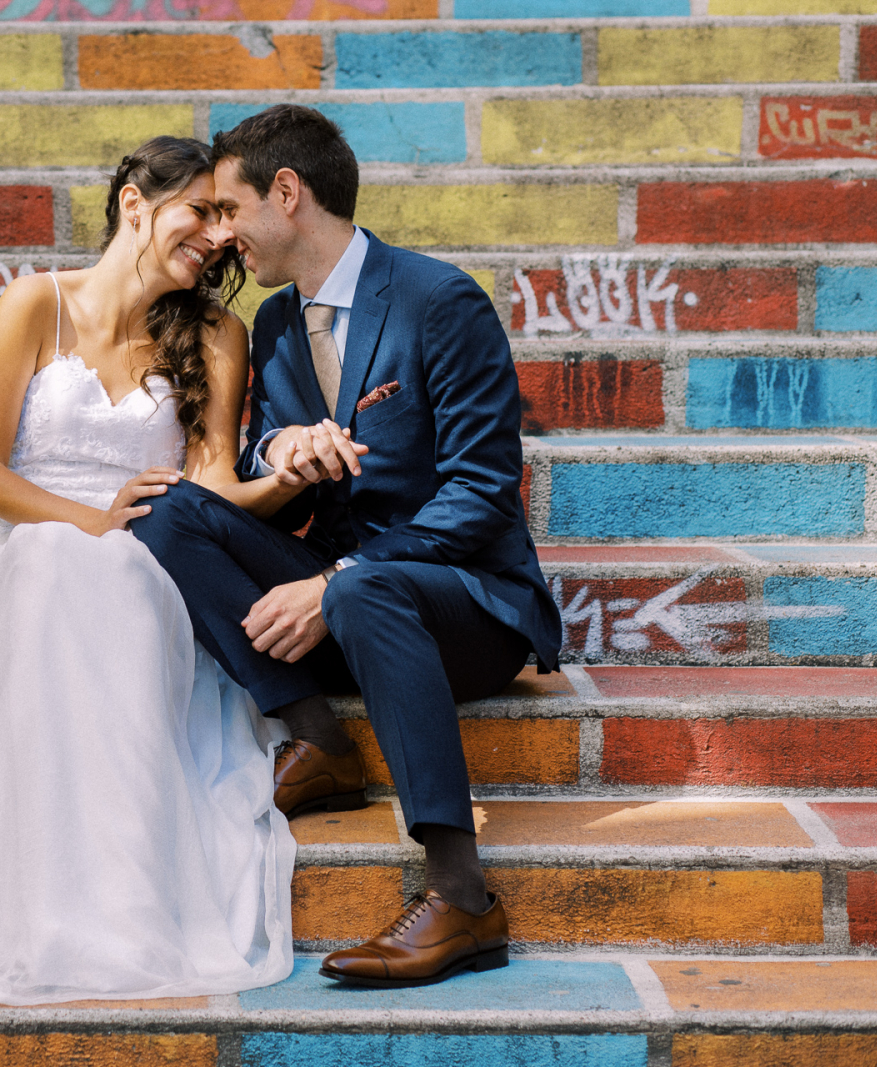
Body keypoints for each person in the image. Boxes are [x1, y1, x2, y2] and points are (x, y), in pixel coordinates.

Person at [0, 136, 312, 1006]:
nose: (215, 234)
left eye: (223, 216)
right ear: (136, 204)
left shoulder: (215, 334)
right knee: (57, 561)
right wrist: (89, 522)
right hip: (29, 556)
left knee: (112, 573)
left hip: (148, 570)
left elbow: (212, 493)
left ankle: (122, 902)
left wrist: (287, 478)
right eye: (198, 210)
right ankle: (36, 906)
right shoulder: (33, 305)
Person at [131, 106, 564, 989]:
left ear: (286, 194)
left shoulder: (438, 300)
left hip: (463, 604)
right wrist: (276, 454)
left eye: (228, 208)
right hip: (343, 594)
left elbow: (482, 495)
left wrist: (335, 581)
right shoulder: (281, 326)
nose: (222, 236)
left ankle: (462, 896)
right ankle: (317, 739)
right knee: (170, 513)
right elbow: (256, 448)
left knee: (366, 590)